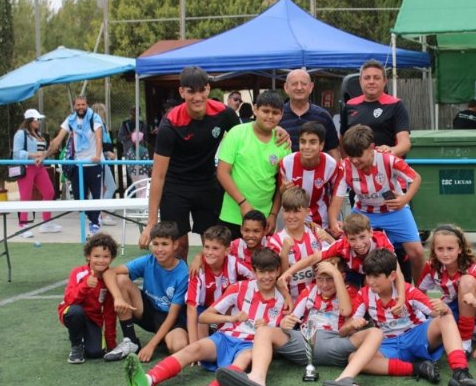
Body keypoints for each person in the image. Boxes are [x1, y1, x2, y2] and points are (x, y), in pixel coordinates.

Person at [123, 248, 286, 386]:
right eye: (261, 272)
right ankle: (148, 380)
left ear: (278, 271)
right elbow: (204, 316)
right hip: (225, 337)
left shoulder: (285, 300)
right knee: (192, 349)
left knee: (243, 360)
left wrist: (267, 327)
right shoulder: (240, 288)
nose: (266, 276)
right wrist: (231, 317)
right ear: (254, 271)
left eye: (271, 271)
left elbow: (281, 334)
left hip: (250, 345)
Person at [216, 257, 384, 386]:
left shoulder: (349, 290)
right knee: (265, 331)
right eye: (320, 279)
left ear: (341, 277)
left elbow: (346, 311)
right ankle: (257, 379)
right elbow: (289, 320)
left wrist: (337, 275)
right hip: (305, 341)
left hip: (336, 341)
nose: (324, 285)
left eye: (330, 279)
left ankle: (344, 379)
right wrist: (285, 322)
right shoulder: (309, 290)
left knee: (375, 333)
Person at [139, 66, 240, 262]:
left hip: (207, 184)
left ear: (208, 89)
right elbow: (158, 175)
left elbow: (247, 138)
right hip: (176, 186)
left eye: (201, 90)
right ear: (182, 92)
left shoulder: (224, 114)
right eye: (191, 91)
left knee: (214, 243)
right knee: (179, 245)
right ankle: (181, 290)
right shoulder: (170, 124)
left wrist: (278, 131)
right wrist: (151, 222)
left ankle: (212, 290)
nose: (197, 97)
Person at [344, 249, 476, 386]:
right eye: (368, 276)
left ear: (392, 276)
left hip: (416, 336)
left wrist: (443, 308)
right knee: (353, 358)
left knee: (445, 317)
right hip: (389, 344)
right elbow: (343, 330)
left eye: (376, 276)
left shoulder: (408, 291)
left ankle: (461, 372)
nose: (370, 281)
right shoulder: (364, 294)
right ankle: (417, 368)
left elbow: (436, 312)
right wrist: (350, 326)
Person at [329, 124, 426, 282]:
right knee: (346, 250)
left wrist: (404, 199)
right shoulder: (345, 167)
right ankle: (357, 293)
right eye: (350, 155)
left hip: (394, 211)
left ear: (372, 148)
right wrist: (333, 220)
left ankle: (420, 295)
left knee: (417, 252)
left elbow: (416, 178)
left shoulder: (388, 159)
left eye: (358, 155)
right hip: (364, 213)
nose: (354, 160)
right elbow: (338, 196)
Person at [103, 221, 189, 362]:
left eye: (164, 244)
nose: (159, 249)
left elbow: (173, 316)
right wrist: (118, 297)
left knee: (179, 347)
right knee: (121, 280)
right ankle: (130, 341)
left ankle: (164, 338)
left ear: (175, 244)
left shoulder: (182, 273)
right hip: (148, 310)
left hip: (169, 317)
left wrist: (151, 345)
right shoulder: (148, 260)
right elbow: (109, 273)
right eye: (155, 244)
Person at [279, 213, 406, 306]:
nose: (359, 243)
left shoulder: (381, 241)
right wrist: (287, 273)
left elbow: (396, 269)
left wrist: (401, 297)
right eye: (353, 239)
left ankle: (381, 309)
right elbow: (314, 257)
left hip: (374, 273)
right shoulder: (342, 244)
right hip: (354, 273)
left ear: (371, 232)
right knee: (350, 298)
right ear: (346, 237)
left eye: (362, 237)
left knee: (380, 284)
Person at [417, 224, 476, 354]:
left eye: (450, 248)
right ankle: (471, 328)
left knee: (467, 281)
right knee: (428, 335)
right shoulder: (431, 267)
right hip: (452, 306)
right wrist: (427, 312)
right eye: (440, 249)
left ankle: (465, 343)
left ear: (460, 249)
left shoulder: (473, 269)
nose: (445, 253)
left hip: (475, 305)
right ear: (434, 250)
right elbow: (419, 292)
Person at [217, 90, 291, 238]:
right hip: (232, 215)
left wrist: (273, 214)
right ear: (255, 109)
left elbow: (282, 185)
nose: (270, 116)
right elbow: (222, 172)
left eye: (275, 112)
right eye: (265, 111)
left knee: (262, 261)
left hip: (264, 220)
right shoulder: (236, 133)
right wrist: (243, 203)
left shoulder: (283, 143)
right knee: (230, 260)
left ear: (281, 114)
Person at [57, 233, 119, 363]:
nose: (101, 260)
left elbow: (109, 313)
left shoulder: (110, 279)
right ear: (88, 256)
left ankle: (86, 338)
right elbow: (69, 300)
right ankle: (76, 347)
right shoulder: (78, 273)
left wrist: (111, 344)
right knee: (75, 311)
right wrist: (85, 285)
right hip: (72, 312)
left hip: (93, 319)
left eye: (106, 256)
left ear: (112, 258)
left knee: (96, 352)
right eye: (96, 256)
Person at [185, 225, 252, 344]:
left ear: (227, 250)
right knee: (202, 338)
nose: (209, 252)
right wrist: (193, 345)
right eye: (206, 247)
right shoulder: (198, 269)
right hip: (203, 312)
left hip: (226, 310)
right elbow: (191, 308)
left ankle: (226, 335)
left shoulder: (234, 263)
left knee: (233, 302)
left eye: (215, 248)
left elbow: (256, 278)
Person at [47, 96, 104, 235]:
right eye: (78, 105)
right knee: (78, 198)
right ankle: (94, 218)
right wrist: (44, 155)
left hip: (93, 164)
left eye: (83, 104)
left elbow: (98, 137)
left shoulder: (94, 118)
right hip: (78, 164)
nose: (81, 107)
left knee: (96, 196)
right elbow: (58, 139)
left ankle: (95, 222)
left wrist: (97, 155)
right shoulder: (70, 120)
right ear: (74, 106)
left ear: (87, 105)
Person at [268, 187, 333, 300]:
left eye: (296, 211)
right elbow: (278, 279)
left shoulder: (316, 233)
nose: (291, 216)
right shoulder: (275, 241)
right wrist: (284, 254)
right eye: (287, 211)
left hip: (318, 299)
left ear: (307, 212)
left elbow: (337, 257)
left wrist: (329, 239)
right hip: (290, 300)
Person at [340, 60, 411, 158]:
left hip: (387, 168)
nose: (371, 82)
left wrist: (390, 151)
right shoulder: (350, 105)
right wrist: (348, 162)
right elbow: (342, 140)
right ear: (360, 81)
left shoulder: (396, 105)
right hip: (357, 168)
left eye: (376, 78)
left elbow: (405, 144)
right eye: (367, 78)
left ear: (384, 81)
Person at [279, 121, 339, 228]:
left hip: (322, 223)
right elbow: (280, 193)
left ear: (321, 145)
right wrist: (283, 189)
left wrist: (333, 221)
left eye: (312, 142)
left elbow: (336, 194)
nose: (306, 147)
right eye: (303, 142)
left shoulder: (331, 165)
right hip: (294, 222)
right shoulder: (286, 163)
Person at [12, 108, 61, 238]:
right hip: (27, 167)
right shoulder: (21, 134)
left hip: (40, 167)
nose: (39, 121)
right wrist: (34, 155)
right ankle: (23, 225)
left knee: (49, 192)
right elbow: (16, 153)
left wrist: (49, 151)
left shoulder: (39, 134)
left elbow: (43, 152)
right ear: (29, 120)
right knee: (26, 196)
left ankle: (46, 222)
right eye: (37, 119)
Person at [280, 69, 340, 159]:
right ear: (286, 88)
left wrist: (338, 170)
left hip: (317, 171)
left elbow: (333, 149)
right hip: (283, 171)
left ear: (311, 87)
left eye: (304, 84)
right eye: (294, 84)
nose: (299, 88)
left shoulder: (323, 116)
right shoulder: (277, 115)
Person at [91, 102, 117, 226]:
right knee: (110, 186)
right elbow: (98, 142)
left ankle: (99, 213)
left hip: (102, 158)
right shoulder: (98, 123)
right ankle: (102, 213)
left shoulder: (100, 124)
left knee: (103, 187)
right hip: (100, 159)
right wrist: (107, 153)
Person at [125, 131, 152, 198]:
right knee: (144, 190)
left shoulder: (130, 151)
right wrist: (150, 169)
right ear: (141, 140)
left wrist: (130, 173)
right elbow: (147, 163)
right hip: (143, 174)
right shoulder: (144, 150)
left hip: (133, 174)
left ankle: (138, 207)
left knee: (138, 191)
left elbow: (128, 164)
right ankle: (141, 207)